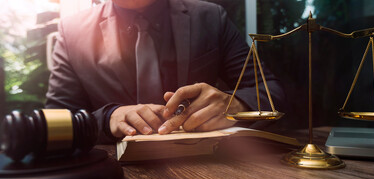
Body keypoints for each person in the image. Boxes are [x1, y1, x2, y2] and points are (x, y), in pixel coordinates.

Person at [46, 0, 286, 143]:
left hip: (209, 171)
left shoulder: (211, 18)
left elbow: (271, 91)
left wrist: (237, 105)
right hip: (107, 178)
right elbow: (53, 121)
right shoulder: (72, 31)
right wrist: (107, 119)